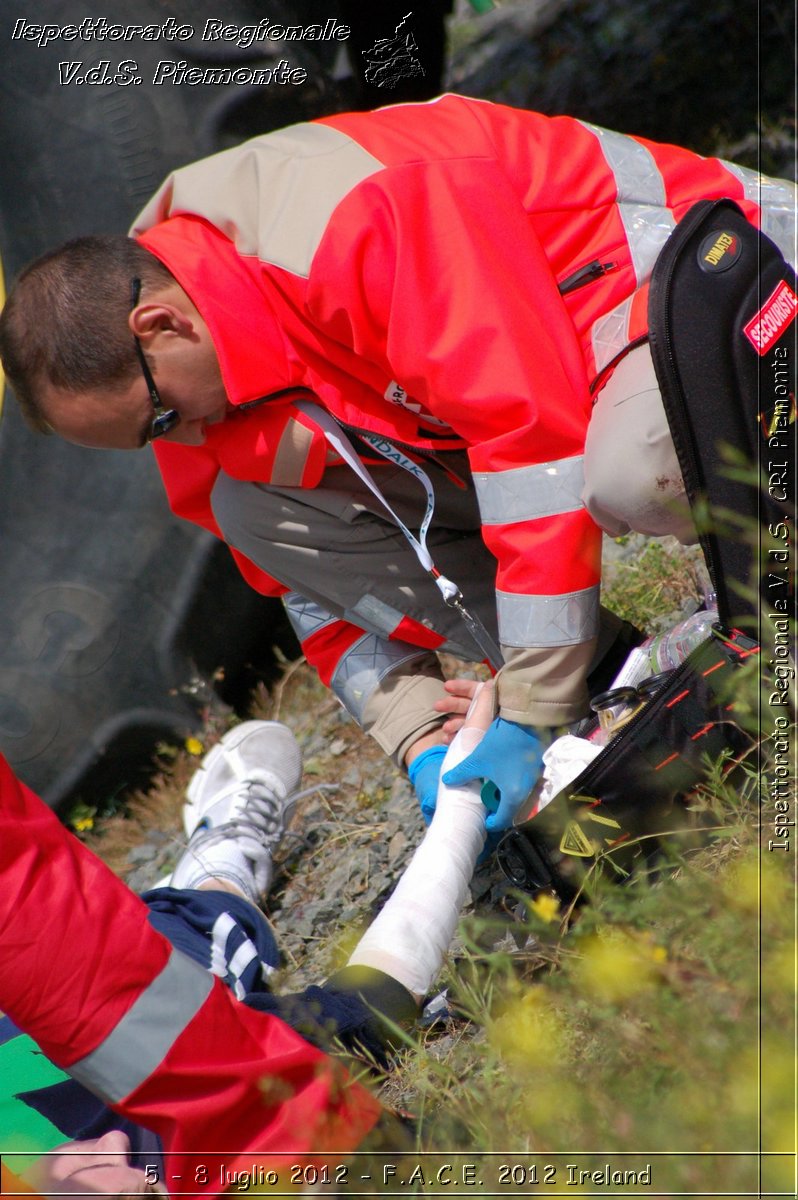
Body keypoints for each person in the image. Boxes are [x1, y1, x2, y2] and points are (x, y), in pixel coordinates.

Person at [1, 94, 794, 832]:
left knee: (638, 471)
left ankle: (765, 594)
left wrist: (527, 701)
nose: (175, 437)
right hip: (580, 366)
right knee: (252, 509)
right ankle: (605, 684)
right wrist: (419, 736)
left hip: (717, 276)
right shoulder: (190, 360)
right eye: (151, 437)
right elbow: (308, 588)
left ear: (160, 322)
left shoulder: (345, 223)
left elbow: (530, 444)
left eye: (162, 417)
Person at [2, 690, 494, 1197]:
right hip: (127, 1022)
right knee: (192, 928)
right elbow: (382, 984)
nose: (111, 1152)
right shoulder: (201, 1127)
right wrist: (465, 796)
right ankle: (221, 862)